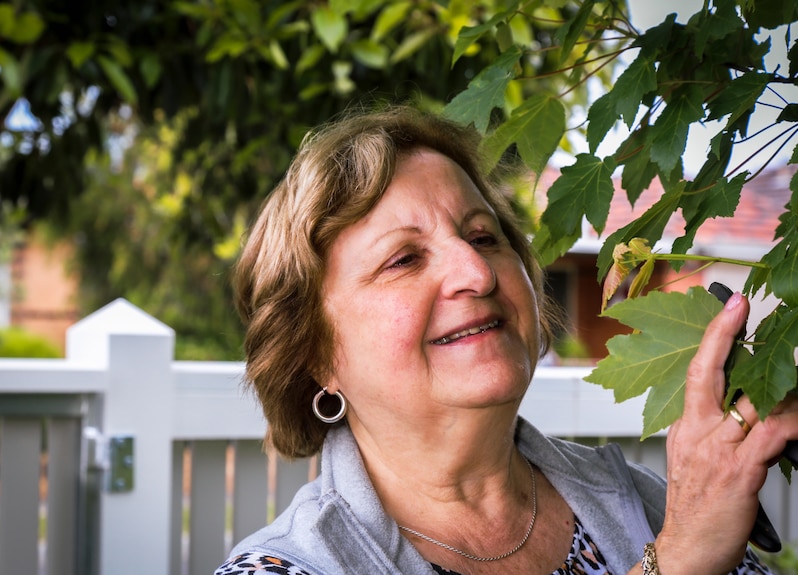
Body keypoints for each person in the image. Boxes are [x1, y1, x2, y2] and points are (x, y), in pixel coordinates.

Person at [215, 105, 798, 575]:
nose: (477, 272)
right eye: (404, 259)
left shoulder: (646, 504)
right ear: (316, 354)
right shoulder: (283, 569)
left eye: (485, 236)